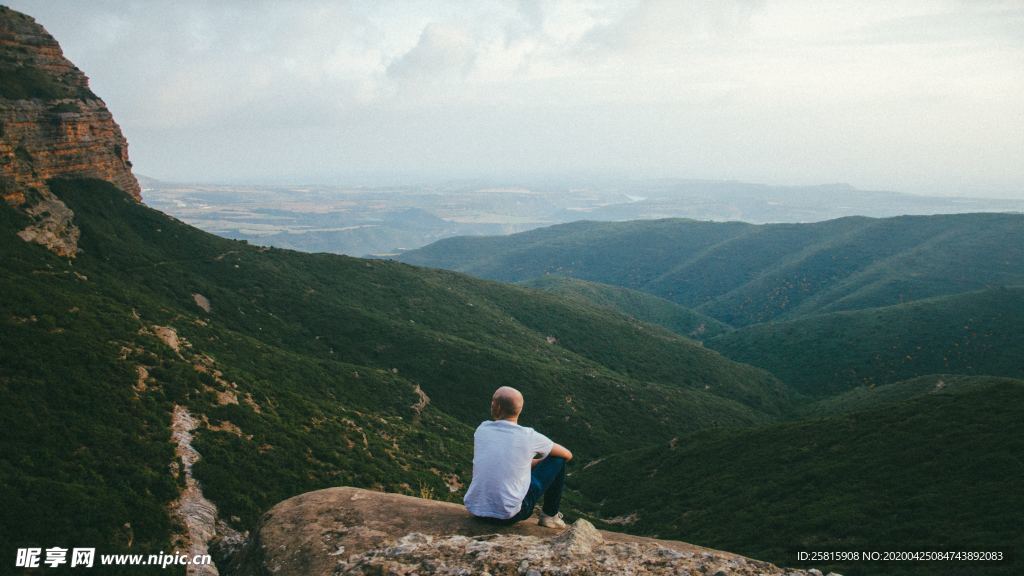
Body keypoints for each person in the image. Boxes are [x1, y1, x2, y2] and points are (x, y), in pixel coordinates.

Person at [463, 386, 573, 528]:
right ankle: (550, 516)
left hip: (476, 509)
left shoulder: (482, 429)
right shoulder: (528, 436)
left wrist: (527, 461)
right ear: (519, 409)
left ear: (497, 407)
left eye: (493, 401)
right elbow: (567, 454)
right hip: (508, 516)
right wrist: (540, 462)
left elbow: (503, 459)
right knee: (558, 460)